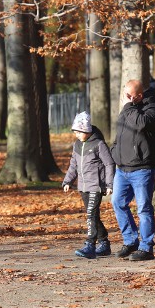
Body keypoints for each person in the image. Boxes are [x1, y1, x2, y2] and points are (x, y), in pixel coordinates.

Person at [110, 80, 155, 261]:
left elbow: (141, 123)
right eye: (125, 94)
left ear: (138, 96)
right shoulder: (128, 109)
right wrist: (115, 152)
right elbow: (120, 133)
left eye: (128, 95)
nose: (125, 99)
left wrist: (128, 106)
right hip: (123, 168)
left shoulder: (151, 109)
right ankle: (130, 240)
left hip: (142, 168)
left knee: (143, 208)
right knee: (117, 202)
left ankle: (146, 247)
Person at [62, 111, 116, 259]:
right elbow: (73, 164)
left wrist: (109, 184)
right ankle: (104, 243)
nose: (76, 135)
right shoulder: (77, 145)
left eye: (79, 132)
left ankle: (90, 245)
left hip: (96, 186)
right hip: (83, 187)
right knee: (93, 216)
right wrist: (68, 181)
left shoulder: (99, 144)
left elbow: (109, 164)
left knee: (90, 215)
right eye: (75, 132)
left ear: (86, 130)